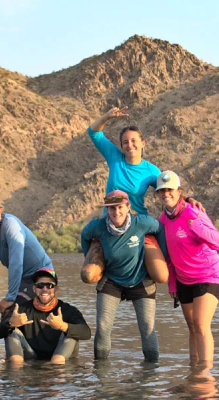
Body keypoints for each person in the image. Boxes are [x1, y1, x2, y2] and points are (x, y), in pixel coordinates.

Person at [83, 107, 202, 284]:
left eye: (133, 141)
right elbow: (93, 132)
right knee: (88, 276)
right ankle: (110, 278)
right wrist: (108, 116)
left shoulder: (151, 171)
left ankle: (139, 273)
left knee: (161, 276)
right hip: (110, 224)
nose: (129, 145)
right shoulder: (114, 157)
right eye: (125, 142)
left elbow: (168, 190)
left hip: (138, 223)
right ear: (121, 146)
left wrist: (187, 199)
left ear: (143, 143)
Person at [81, 190, 167, 362]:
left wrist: (161, 256)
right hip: (112, 280)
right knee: (103, 327)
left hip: (140, 279)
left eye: (120, 207)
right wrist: (91, 257)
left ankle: (151, 373)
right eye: (111, 208)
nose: (116, 212)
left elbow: (160, 228)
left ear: (128, 207)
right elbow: (85, 235)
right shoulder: (97, 226)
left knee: (147, 328)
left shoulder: (141, 223)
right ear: (107, 210)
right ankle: (101, 372)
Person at [156, 171, 219, 366]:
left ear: (179, 191)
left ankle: (205, 374)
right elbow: (169, 256)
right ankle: (194, 370)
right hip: (183, 279)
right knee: (192, 327)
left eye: (170, 190)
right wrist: (172, 284)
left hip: (207, 275)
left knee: (201, 324)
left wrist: (198, 227)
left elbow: (216, 241)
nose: (166, 194)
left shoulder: (193, 212)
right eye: (162, 191)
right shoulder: (162, 220)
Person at [0, 194, 54, 314]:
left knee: (12, 312)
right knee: (9, 319)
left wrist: (10, 298)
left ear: (0, 211)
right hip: (22, 279)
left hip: (43, 273)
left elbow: (16, 263)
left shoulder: (11, 225)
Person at [0, 268, 91, 364]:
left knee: (71, 332)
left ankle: (58, 368)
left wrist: (62, 326)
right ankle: (16, 372)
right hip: (30, 355)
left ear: (56, 289)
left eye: (49, 285)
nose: (44, 289)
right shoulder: (20, 309)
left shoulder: (68, 310)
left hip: (60, 357)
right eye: (40, 285)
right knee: (11, 331)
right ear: (34, 289)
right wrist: (10, 324)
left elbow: (86, 333)